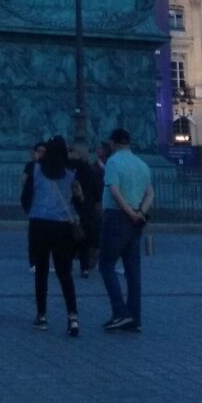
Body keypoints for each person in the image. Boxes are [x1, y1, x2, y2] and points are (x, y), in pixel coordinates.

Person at [98, 128, 153, 333]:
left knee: (106, 264)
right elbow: (150, 193)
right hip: (136, 220)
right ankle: (134, 317)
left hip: (117, 217)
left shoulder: (113, 162)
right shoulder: (142, 164)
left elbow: (114, 190)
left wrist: (129, 212)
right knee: (133, 271)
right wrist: (139, 212)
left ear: (113, 143)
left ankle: (121, 312)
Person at [27, 134, 82, 337]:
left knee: (41, 272)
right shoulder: (70, 174)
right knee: (64, 273)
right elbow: (77, 200)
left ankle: (41, 316)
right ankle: (73, 317)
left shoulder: (37, 170)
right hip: (62, 226)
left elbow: (27, 195)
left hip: (39, 224)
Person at [69, 139, 103, 278]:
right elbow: (96, 192)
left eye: (71, 151)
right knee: (83, 238)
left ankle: (67, 265)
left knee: (68, 238)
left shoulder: (69, 168)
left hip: (71, 207)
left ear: (76, 153)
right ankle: (84, 268)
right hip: (86, 209)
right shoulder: (90, 169)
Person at [21, 140, 47, 269]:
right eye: (39, 151)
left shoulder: (48, 166)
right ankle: (34, 261)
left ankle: (43, 260)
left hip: (45, 204)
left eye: (44, 152)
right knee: (34, 234)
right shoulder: (30, 166)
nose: (41, 154)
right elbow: (23, 180)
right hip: (34, 203)